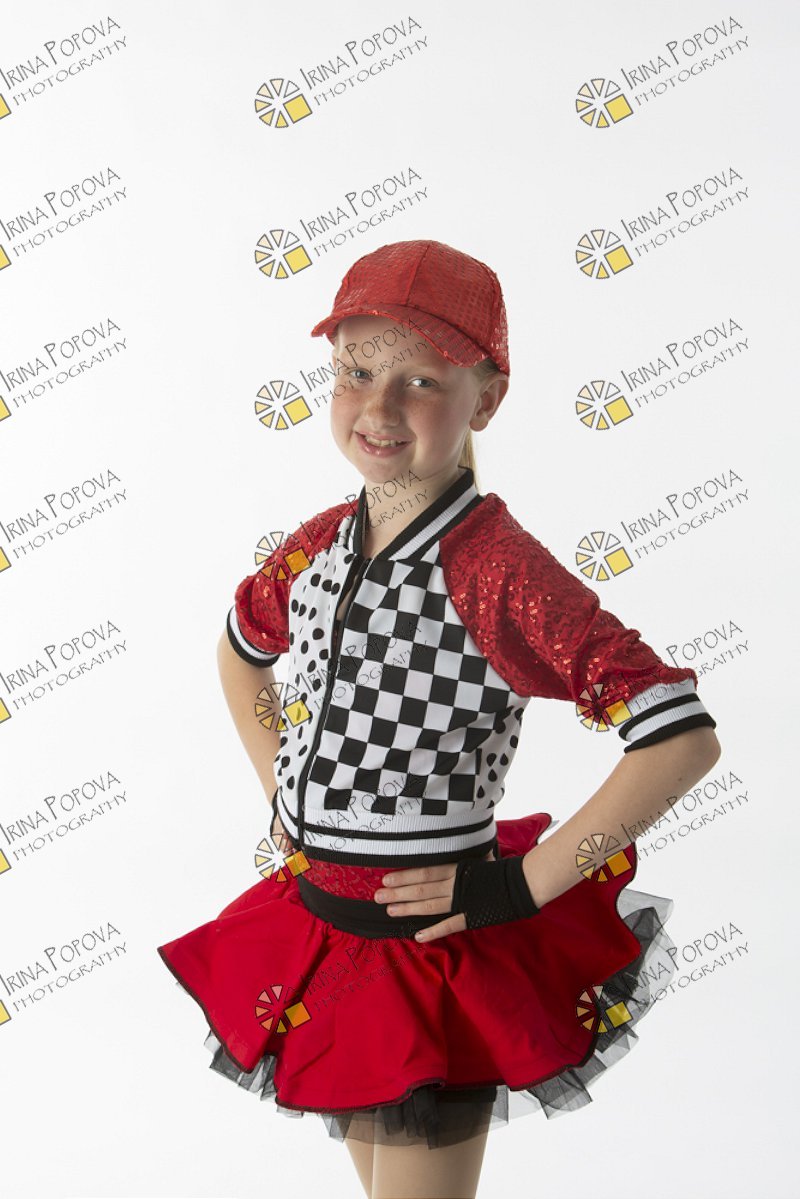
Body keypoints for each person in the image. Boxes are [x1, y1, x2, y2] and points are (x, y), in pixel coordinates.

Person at [156, 239, 721, 1199]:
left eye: (420, 380)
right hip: (328, 940)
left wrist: (524, 883)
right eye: (355, 372)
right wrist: (281, 788)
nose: (378, 408)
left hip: (435, 958)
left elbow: (679, 736)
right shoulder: (317, 544)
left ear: (485, 399)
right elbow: (239, 649)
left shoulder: (494, 567)